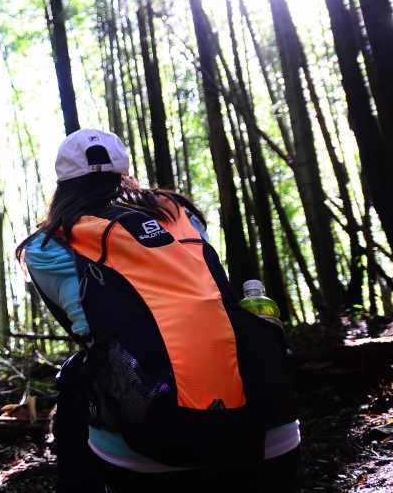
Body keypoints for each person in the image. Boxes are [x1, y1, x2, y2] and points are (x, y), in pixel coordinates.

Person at [16, 128, 301, 493]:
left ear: (63, 183)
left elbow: (89, 332)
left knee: (75, 377)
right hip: (270, 436)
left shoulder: (47, 243)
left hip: (150, 449)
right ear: (124, 171)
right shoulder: (179, 212)